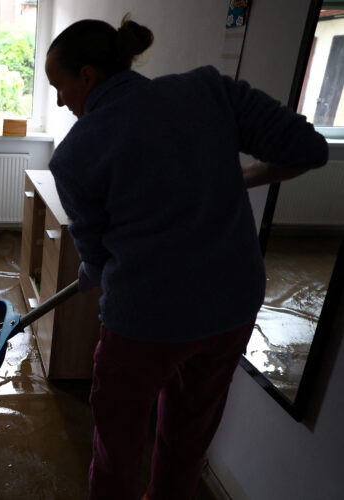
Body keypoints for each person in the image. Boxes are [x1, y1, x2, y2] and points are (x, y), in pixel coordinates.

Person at [44, 16, 329, 500]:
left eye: (60, 86)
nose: (59, 100)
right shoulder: (208, 90)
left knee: (117, 450)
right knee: (186, 444)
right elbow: (310, 149)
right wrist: (243, 176)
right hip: (230, 308)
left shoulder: (74, 155)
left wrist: (92, 271)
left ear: (88, 76)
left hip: (144, 324)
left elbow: (95, 252)